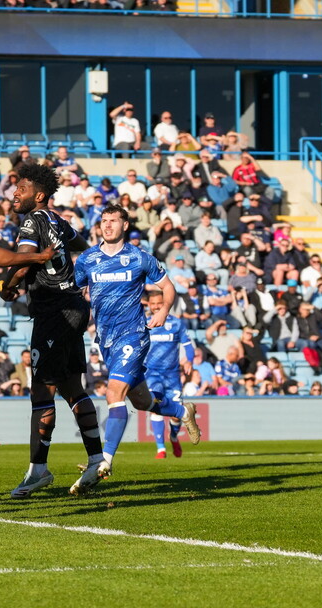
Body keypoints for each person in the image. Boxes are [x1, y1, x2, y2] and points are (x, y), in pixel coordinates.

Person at [0, 163, 108, 499]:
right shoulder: (57, 219)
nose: (14, 194)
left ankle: (38, 470)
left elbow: (23, 261)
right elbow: (82, 244)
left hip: (54, 312)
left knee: (41, 391)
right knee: (72, 387)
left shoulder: (32, 221)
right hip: (74, 307)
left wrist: (8, 287)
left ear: (38, 195)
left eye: (20, 189)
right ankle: (96, 458)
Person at [73, 205, 201, 485]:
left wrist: (163, 310)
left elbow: (169, 287)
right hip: (105, 340)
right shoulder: (87, 259)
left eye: (113, 221)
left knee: (113, 393)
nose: (107, 226)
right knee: (142, 401)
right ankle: (182, 411)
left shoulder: (139, 258)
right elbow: (78, 292)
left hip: (133, 335)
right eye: (104, 221)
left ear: (125, 225)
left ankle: (103, 461)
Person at [145, 291, 195, 459]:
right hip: (152, 374)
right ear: (149, 304)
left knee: (176, 413)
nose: (156, 306)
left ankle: (173, 437)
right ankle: (161, 449)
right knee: (155, 408)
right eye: (153, 303)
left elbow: (188, 346)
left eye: (159, 303)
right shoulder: (144, 323)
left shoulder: (176, 323)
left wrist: (189, 361)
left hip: (173, 375)